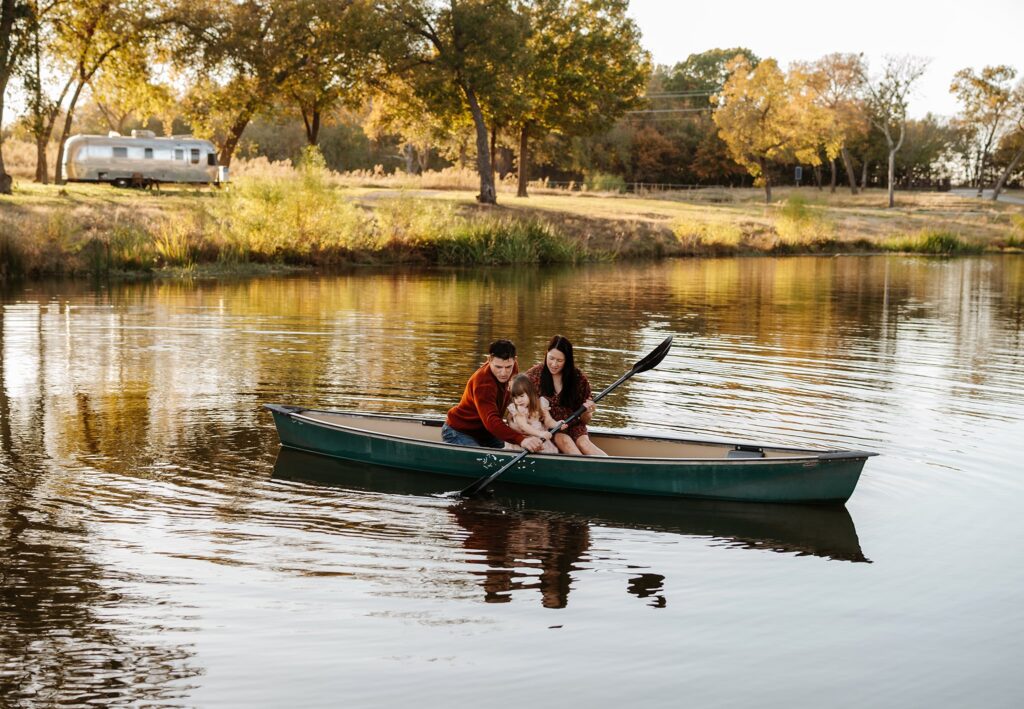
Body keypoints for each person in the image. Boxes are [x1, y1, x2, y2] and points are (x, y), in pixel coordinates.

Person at [443, 339, 545, 452]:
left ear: (514, 360)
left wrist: (514, 423)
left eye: (508, 367)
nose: (504, 373)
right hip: (460, 431)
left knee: (515, 451)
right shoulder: (483, 383)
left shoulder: (513, 367)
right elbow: (491, 420)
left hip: (488, 433)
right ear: (489, 360)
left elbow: (514, 400)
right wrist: (521, 439)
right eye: (498, 367)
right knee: (483, 461)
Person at [526, 335, 608, 456]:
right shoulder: (533, 375)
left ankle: (613, 469)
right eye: (551, 358)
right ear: (546, 354)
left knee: (584, 443)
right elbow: (521, 405)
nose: (554, 364)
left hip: (573, 424)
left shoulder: (579, 379)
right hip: (549, 428)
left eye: (559, 361)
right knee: (565, 441)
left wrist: (587, 412)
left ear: (567, 360)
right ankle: (584, 470)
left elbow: (585, 421)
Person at [504, 374, 563, 454]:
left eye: (521, 396)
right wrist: (540, 433)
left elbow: (548, 421)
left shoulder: (541, 403)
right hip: (525, 442)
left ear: (530, 393)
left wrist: (556, 424)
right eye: (515, 398)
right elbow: (523, 426)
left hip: (541, 439)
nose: (519, 400)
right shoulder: (517, 409)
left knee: (548, 451)